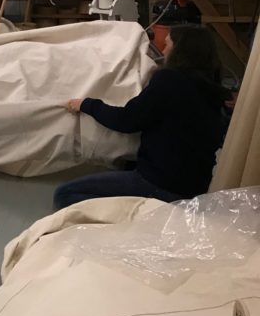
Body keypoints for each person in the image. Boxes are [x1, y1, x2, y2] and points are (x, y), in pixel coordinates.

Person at [53, 25, 231, 211]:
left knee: (65, 193)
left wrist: (86, 104)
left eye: (167, 44)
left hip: (161, 183)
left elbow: (127, 120)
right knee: (124, 167)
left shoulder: (170, 80)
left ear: (180, 50)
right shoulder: (214, 92)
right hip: (195, 187)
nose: (163, 51)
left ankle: (119, 226)